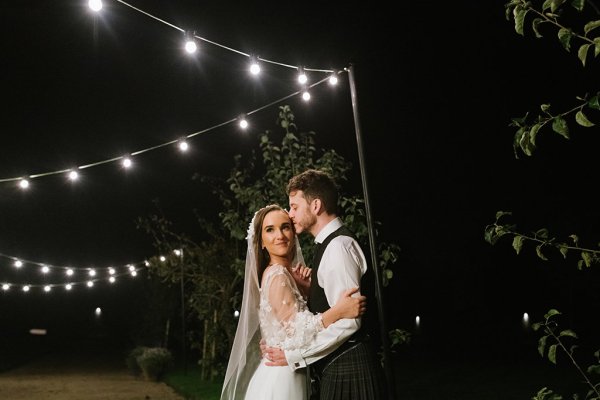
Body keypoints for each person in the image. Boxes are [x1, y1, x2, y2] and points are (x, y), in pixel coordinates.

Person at [261, 169, 387, 399]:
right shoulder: (328, 245)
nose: (290, 214)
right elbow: (334, 309)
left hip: (350, 367)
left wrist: (294, 354)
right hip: (337, 366)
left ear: (316, 205)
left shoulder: (338, 247)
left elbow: (349, 323)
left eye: (295, 206)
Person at [220, 204, 367, 400]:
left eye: (285, 227)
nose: (280, 235)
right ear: (261, 241)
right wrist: (339, 311)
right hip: (283, 376)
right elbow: (298, 330)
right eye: (270, 230)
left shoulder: (286, 274)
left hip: (289, 369)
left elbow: (287, 326)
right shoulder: (277, 274)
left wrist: (308, 290)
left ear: (293, 233)